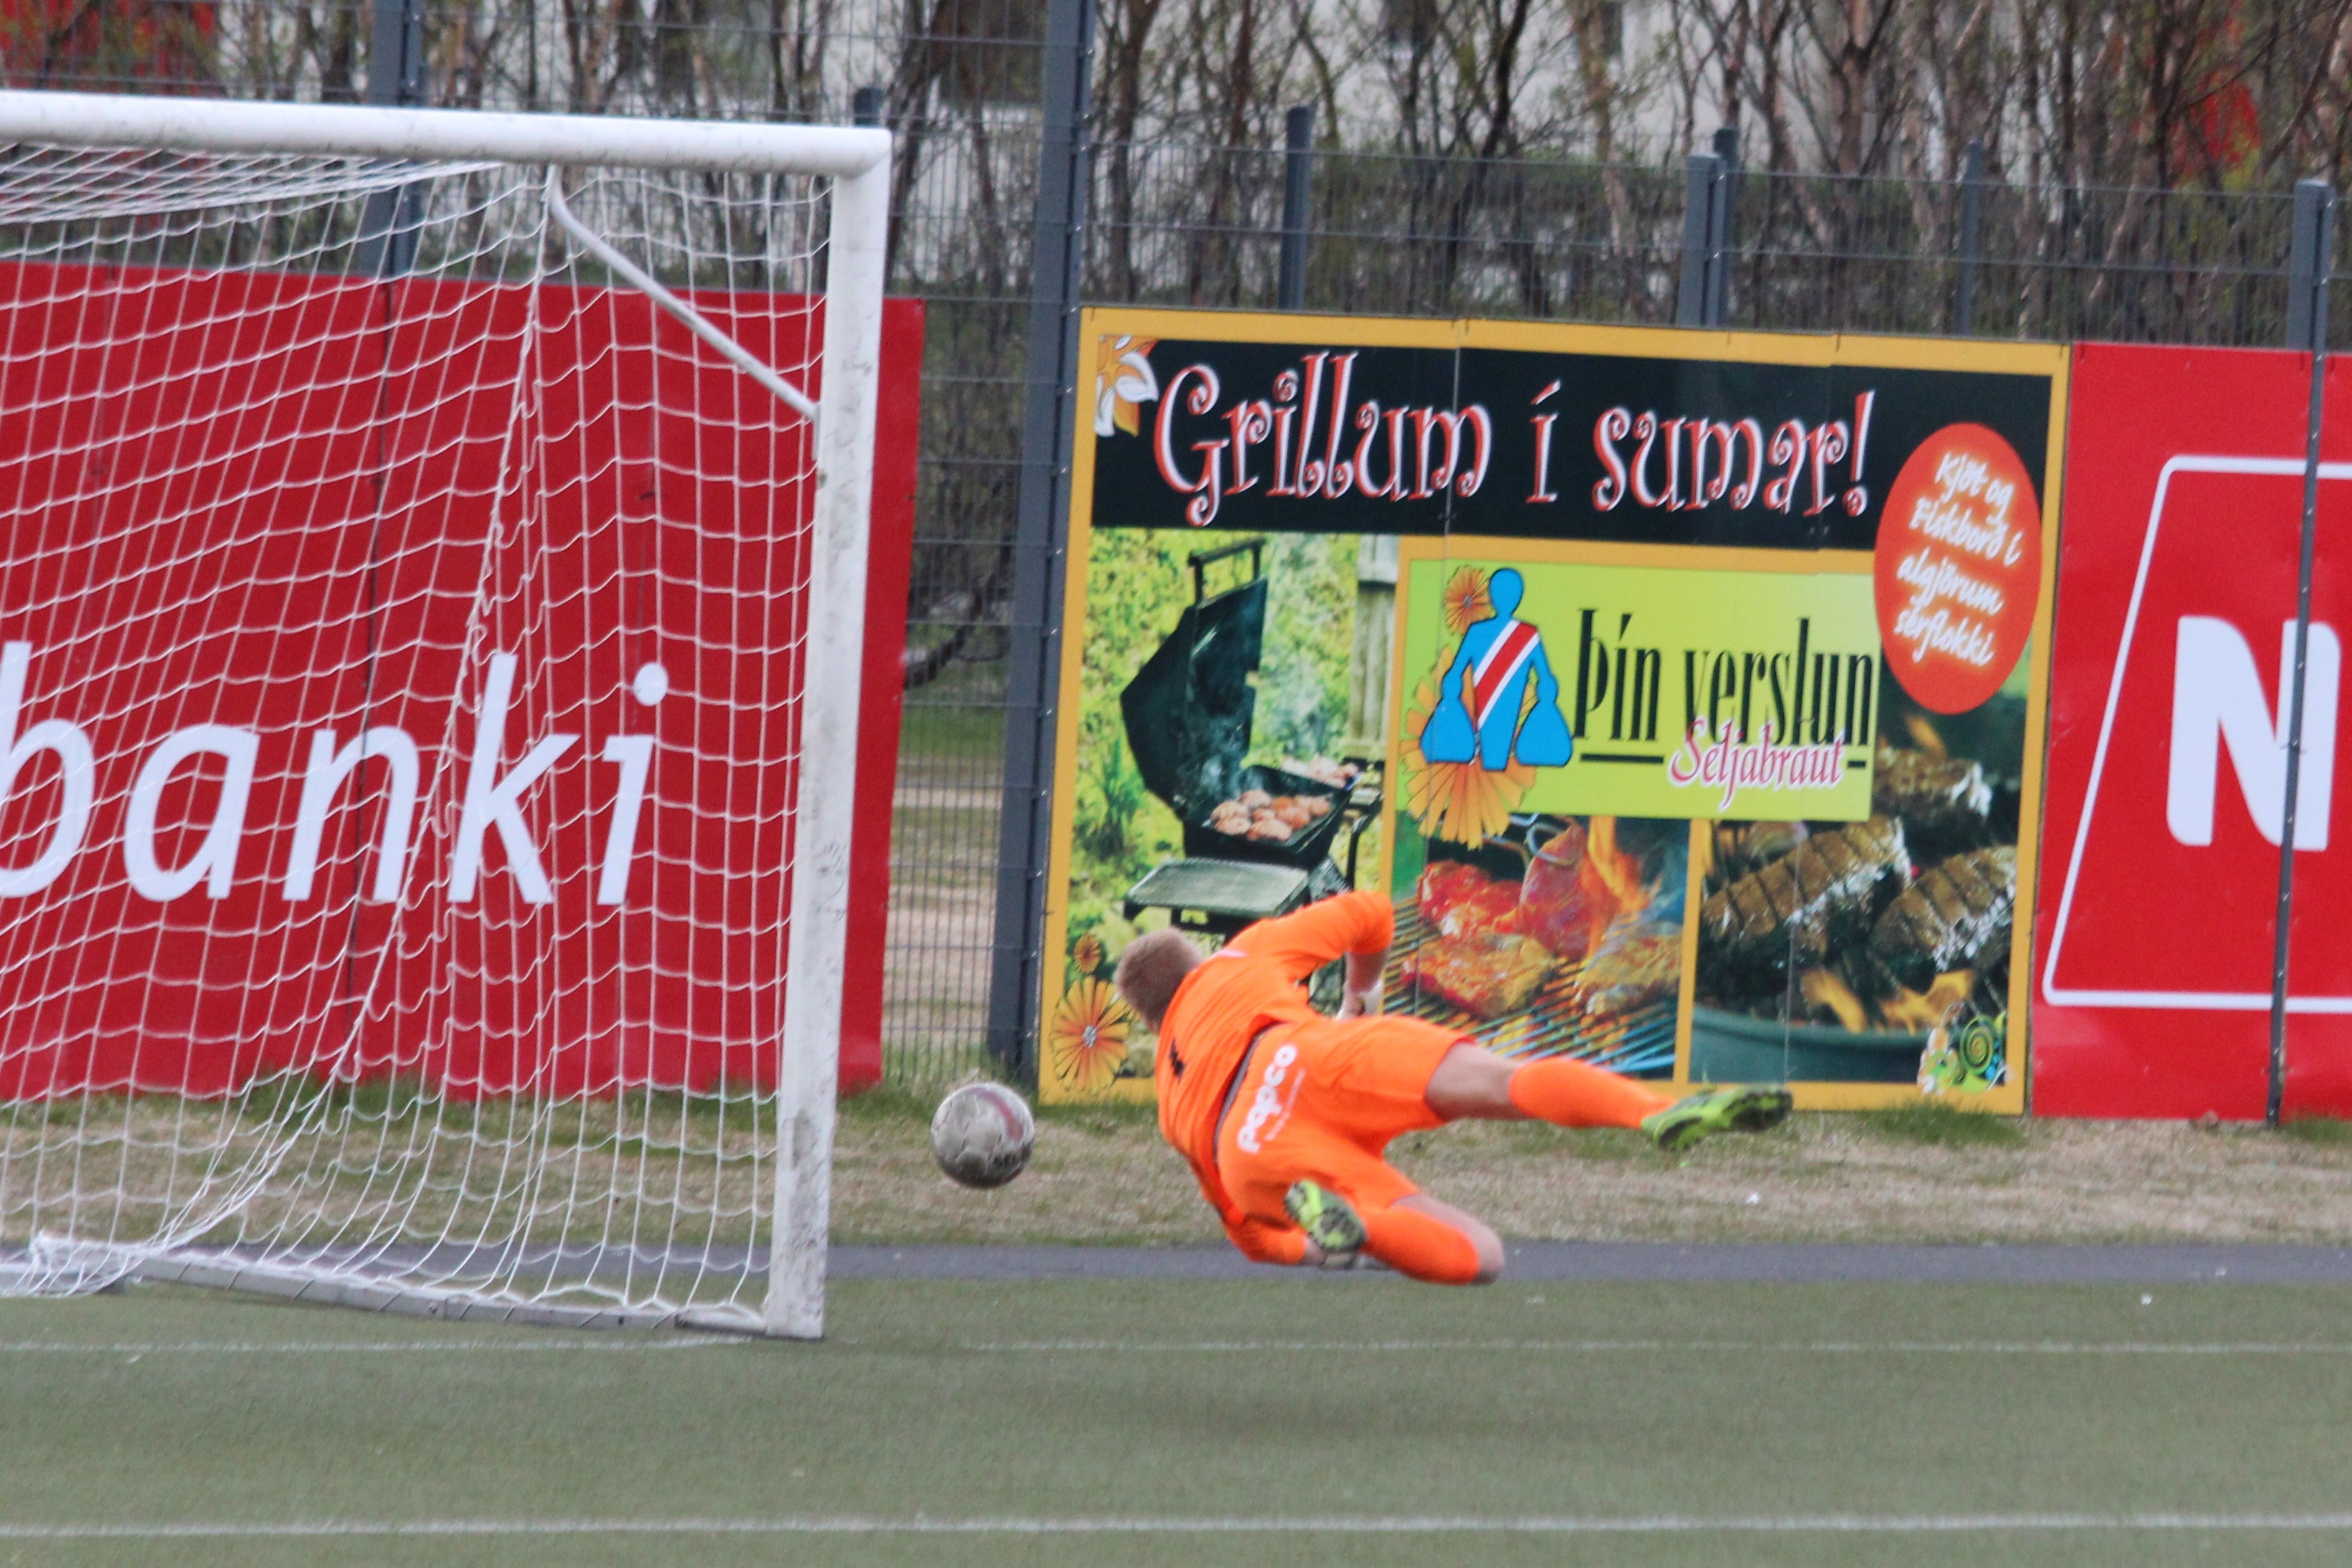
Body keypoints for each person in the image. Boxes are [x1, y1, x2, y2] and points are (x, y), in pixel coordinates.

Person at [1113, 889, 1789, 1283]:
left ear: (1153, 1022)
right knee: (1509, 1081)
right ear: (1198, 960)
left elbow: (1250, 1238)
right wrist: (1358, 997)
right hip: (1303, 1055)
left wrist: (1315, 1251)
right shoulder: (1237, 958)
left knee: (1481, 1256)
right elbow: (1373, 913)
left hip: (1245, 1145)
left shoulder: (1169, 1104)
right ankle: (1651, 1113)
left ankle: (1365, 1230)